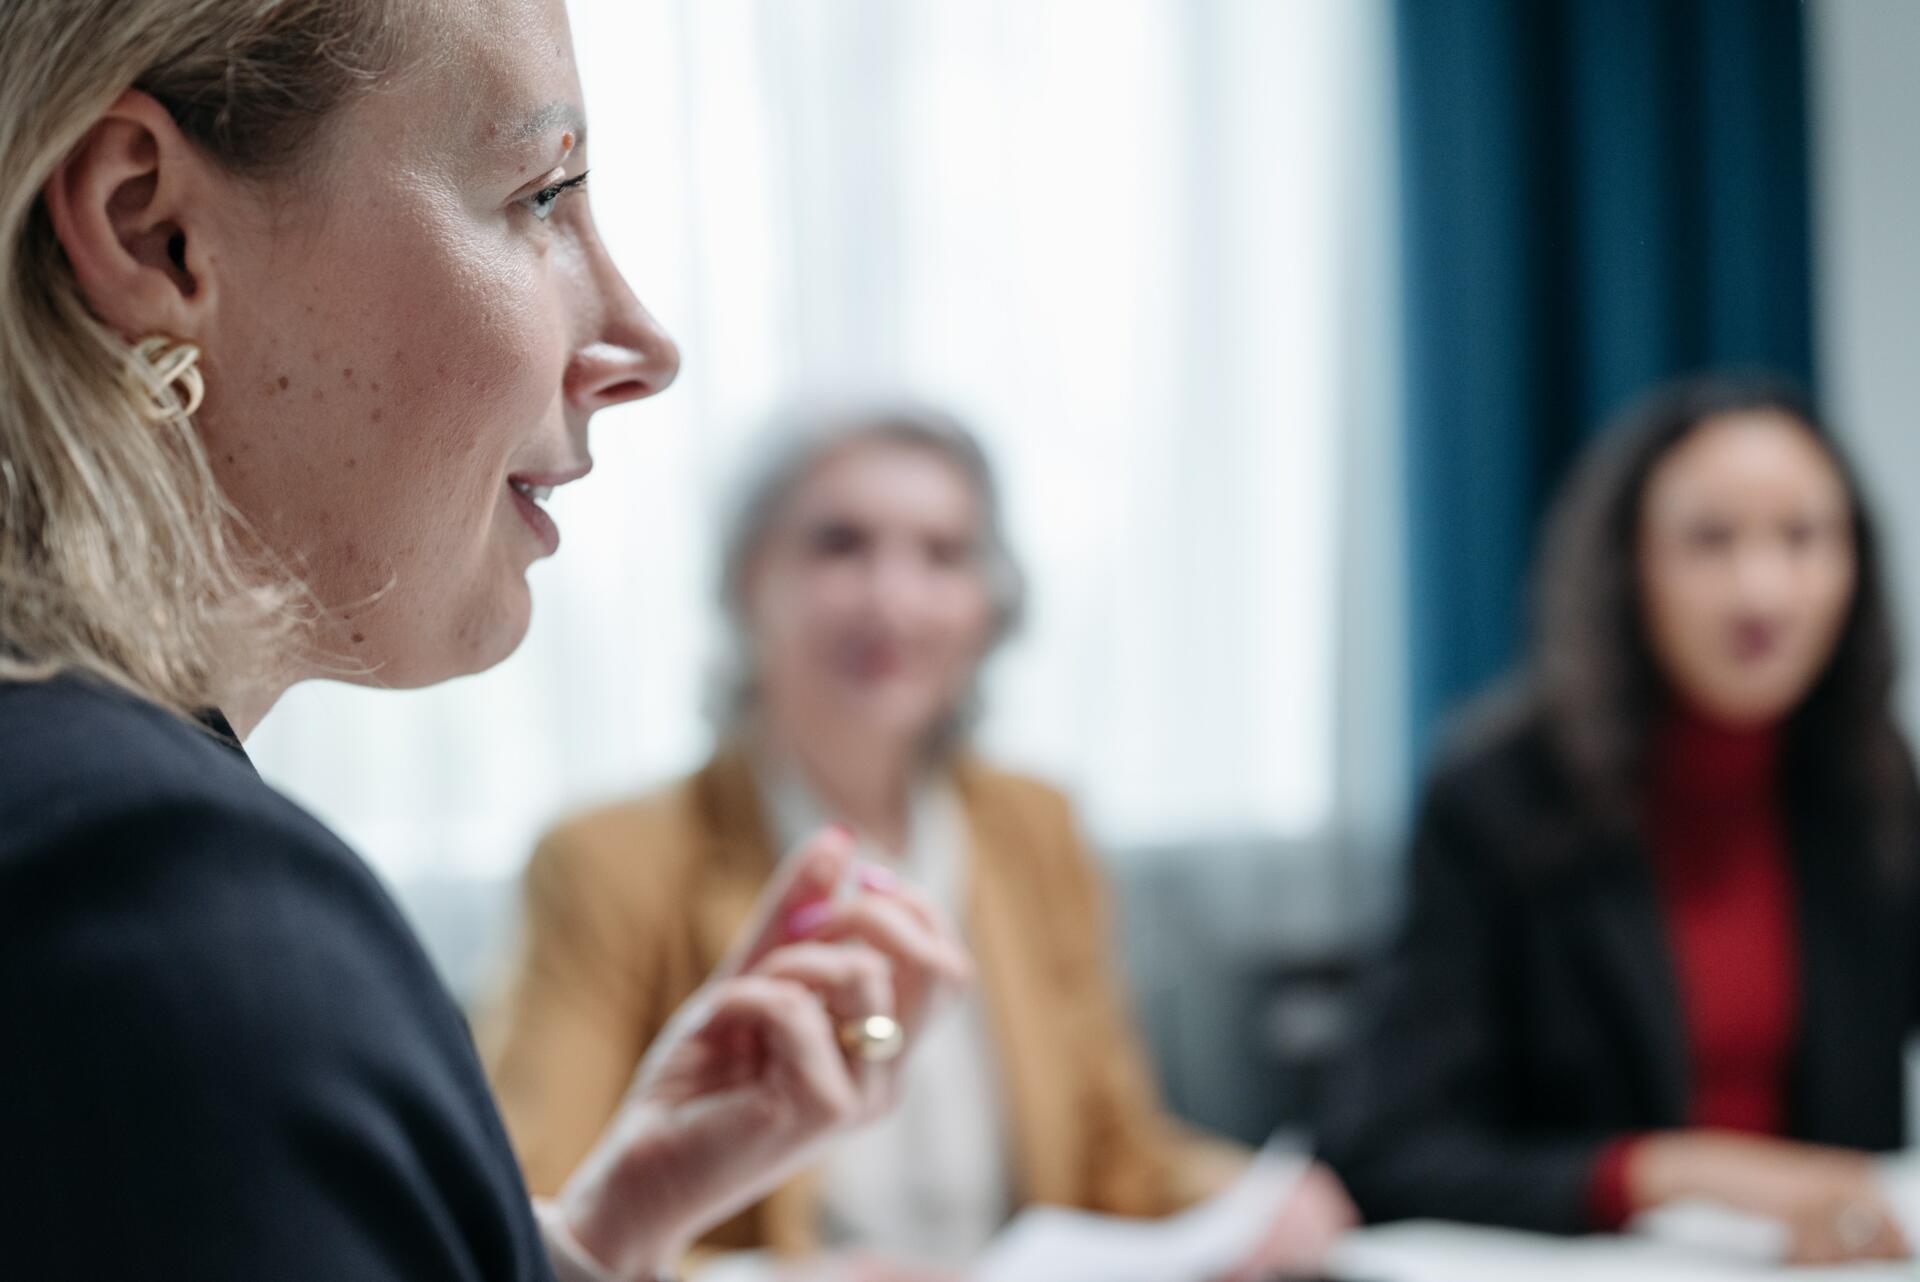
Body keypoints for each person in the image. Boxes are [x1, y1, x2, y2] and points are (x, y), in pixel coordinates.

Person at [0, 3, 971, 1279]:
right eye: (541, 194)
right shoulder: (165, 902)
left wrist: (577, 1244)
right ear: (154, 229)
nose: (644, 344)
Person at [483, 405, 1358, 1282]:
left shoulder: (1033, 828)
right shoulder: (606, 859)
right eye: (840, 544)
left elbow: (1114, 1154)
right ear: (750, 580)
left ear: (989, 606)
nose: (892, 601)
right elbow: (527, 1204)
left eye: (942, 556)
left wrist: (1253, 1197)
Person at [1318, 372, 1920, 1266]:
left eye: (1803, 538)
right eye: (1710, 542)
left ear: (1854, 567)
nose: (1763, 591)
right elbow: (1381, 1148)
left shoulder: (1867, 782)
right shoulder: (1498, 797)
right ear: (1628, 565)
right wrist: (1668, 1173)